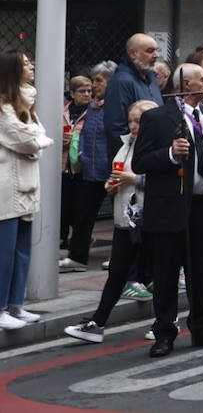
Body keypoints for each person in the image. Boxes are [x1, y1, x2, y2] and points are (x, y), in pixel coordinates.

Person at [131, 63, 203, 357]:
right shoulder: (157, 117)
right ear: (185, 83)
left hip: (202, 206)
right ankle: (164, 332)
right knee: (165, 273)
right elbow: (140, 163)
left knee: (200, 271)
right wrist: (170, 155)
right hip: (170, 206)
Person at [65, 100, 158, 342]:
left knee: (157, 274)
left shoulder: (159, 146)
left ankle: (167, 322)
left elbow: (163, 181)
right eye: (131, 121)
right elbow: (118, 174)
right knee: (117, 273)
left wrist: (133, 179)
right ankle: (97, 323)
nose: (134, 126)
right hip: (124, 219)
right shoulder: (126, 143)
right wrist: (112, 185)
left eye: (139, 121)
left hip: (150, 220)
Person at [0, 51, 50, 330]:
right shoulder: (3, 106)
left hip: (27, 186)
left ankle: (15, 304)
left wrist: (36, 143)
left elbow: (37, 137)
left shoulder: (26, 104)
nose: (32, 66)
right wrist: (37, 143)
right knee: (4, 253)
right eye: (26, 63)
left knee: (21, 250)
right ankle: (1, 307)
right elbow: (27, 140)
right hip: (6, 189)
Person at [63, 69, 113, 274]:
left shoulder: (115, 106)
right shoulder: (92, 107)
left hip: (110, 168)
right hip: (89, 169)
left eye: (99, 81)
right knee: (83, 213)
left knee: (122, 217)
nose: (93, 86)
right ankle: (77, 256)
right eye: (93, 81)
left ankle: (118, 257)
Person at [103, 33, 164, 167]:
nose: (156, 55)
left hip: (152, 157)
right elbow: (116, 129)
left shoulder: (151, 79)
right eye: (150, 51)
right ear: (133, 54)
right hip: (133, 161)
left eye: (156, 50)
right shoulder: (121, 82)